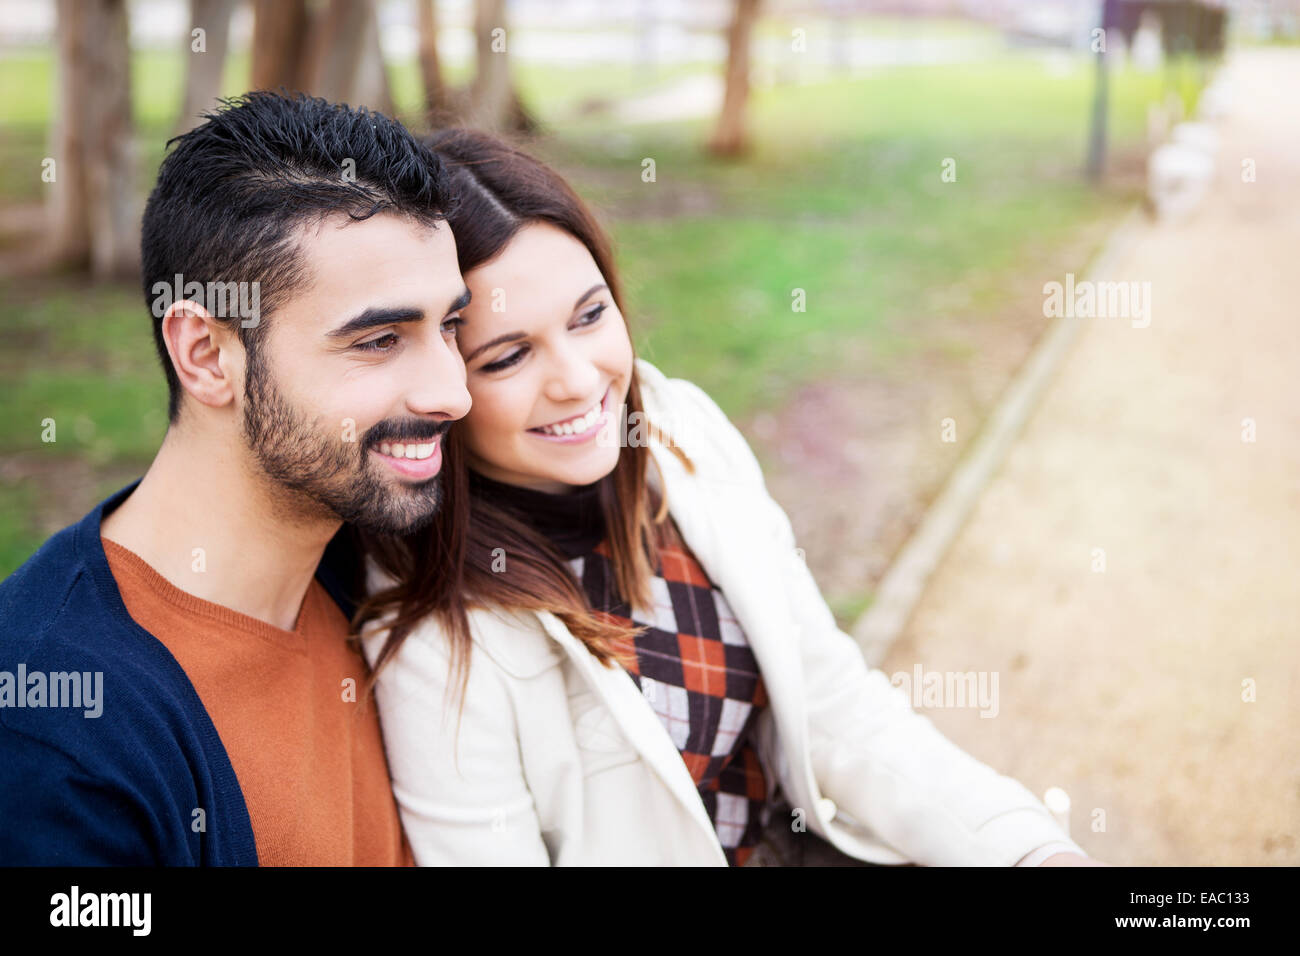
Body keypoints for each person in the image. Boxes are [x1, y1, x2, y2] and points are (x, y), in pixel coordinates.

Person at [355, 129, 1099, 866]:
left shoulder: (683, 432)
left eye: (590, 315)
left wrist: (1025, 849)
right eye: (508, 356)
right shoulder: (435, 646)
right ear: (441, 388)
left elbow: (837, 707)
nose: (579, 380)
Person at [0, 92, 472, 865]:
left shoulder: (370, 576)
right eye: (380, 339)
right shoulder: (56, 733)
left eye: (449, 326)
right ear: (206, 354)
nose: (453, 391)